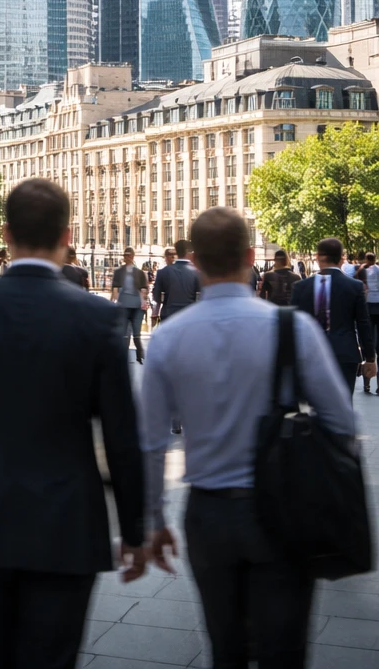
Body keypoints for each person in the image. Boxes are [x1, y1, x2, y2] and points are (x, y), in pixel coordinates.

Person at [0, 179, 145, 669]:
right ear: (67, 236)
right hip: (69, 521)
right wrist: (134, 529)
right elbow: (121, 435)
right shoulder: (96, 318)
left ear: (5, 234)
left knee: (5, 655)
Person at [142, 207, 356, 669]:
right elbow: (341, 420)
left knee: (226, 647)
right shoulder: (292, 328)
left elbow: (152, 441)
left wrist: (154, 519)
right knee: (286, 650)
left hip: (209, 513)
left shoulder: (169, 338)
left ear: (195, 260)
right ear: (250, 255)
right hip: (282, 509)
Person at [292, 237, 377, 395]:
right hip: (345, 355)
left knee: (315, 409)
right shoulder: (354, 286)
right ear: (342, 258)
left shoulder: (301, 287)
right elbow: (363, 324)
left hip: (310, 357)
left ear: (317, 257)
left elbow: (293, 326)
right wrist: (370, 358)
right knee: (343, 407)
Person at [110, 247, 148, 364]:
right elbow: (115, 290)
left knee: (136, 332)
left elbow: (143, 289)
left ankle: (139, 355)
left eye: (129, 255)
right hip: (124, 304)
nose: (127, 257)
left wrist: (143, 301)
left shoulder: (139, 273)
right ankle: (124, 356)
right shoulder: (119, 272)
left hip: (136, 305)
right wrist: (113, 302)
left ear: (132, 256)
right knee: (125, 333)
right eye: (125, 255)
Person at [151, 240, 199, 322]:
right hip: (189, 315)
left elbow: (156, 296)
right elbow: (199, 296)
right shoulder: (196, 273)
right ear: (188, 252)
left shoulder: (163, 272)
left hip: (168, 314)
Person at [356, 253, 379, 394]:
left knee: (367, 346)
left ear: (367, 259)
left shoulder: (362, 270)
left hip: (368, 307)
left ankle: (366, 384)